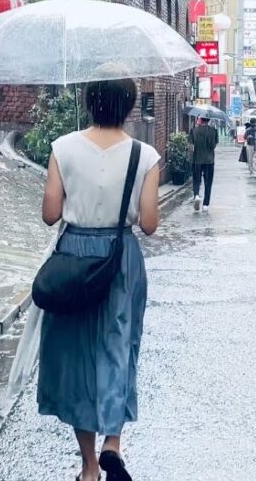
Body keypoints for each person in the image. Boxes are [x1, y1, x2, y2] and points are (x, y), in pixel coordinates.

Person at [39, 77, 161, 481]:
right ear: (129, 105)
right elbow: (149, 224)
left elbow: (50, 214)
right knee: (119, 346)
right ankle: (113, 442)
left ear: (90, 101)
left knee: (77, 357)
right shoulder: (144, 155)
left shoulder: (63, 147)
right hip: (120, 258)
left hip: (75, 256)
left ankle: (89, 467)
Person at [190, 117, 217, 212]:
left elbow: (191, 145)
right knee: (208, 182)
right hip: (209, 160)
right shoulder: (214, 131)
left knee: (196, 180)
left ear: (201, 120)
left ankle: (196, 195)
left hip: (197, 159)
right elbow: (214, 145)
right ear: (209, 120)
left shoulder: (194, 130)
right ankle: (205, 204)